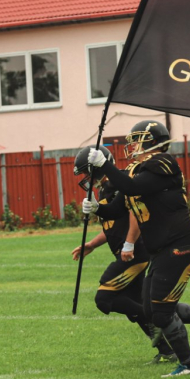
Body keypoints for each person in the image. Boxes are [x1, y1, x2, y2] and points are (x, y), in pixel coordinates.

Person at [79, 121, 190, 377]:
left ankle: (189, 365)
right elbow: (119, 207)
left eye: (137, 139)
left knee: (159, 311)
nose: (131, 146)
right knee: (150, 308)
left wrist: (106, 166)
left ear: (152, 140)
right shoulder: (139, 170)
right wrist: (97, 209)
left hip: (179, 245)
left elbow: (132, 187)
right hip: (161, 249)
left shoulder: (163, 162)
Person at [71, 147, 176, 364]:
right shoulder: (105, 189)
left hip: (135, 253)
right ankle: (168, 350)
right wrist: (92, 244)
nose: (86, 178)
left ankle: (159, 321)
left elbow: (135, 214)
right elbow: (111, 225)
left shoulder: (120, 182)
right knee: (133, 303)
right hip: (128, 252)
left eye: (87, 172)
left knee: (104, 298)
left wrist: (129, 244)